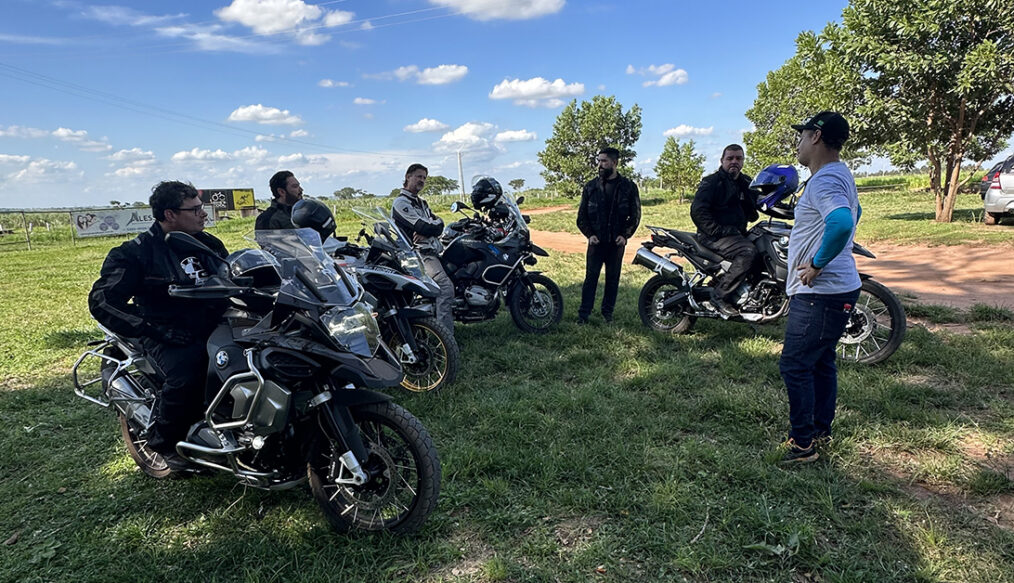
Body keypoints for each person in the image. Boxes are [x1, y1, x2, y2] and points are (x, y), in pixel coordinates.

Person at [88, 181, 228, 471]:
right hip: (166, 332)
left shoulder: (209, 244)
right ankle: (164, 441)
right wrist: (151, 328)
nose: (204, 214)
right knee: (189, 374)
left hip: (215, 323)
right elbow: (102, 301)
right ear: (169, 214)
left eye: (201, 207)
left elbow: (232, 275)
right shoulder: (136, 253)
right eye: (195, 209)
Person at [778, 111, 863, 464]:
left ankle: (802, 445)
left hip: (820, 292)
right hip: (838, 289)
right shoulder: (840, 174)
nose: (798, 143)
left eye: (802, 135)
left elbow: (842, 222)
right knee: (821, 360)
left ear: (816, 136)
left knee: (795, 365)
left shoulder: (824, 180)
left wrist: (816, 263)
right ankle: (819, 430)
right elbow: (856, 213)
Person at [690, 144, 757, 317]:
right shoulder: (712, 182)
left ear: (743, 161)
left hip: (735, 234)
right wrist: (717, 230)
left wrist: (790, 210)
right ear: (722, 160)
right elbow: (698, 210)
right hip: (712, 236)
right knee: (747, 251)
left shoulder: (746, 182)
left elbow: (762, 201)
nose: (734, 161)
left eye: (738, 158)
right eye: (730, 158)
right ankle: (719, 296)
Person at [576, 147, 641, 324]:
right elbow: (581, 216)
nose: (600, 164)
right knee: (591, 279)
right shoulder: (591, 187)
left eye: (604, 161)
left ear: (614, 162)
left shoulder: (628, 187)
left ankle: (607, 314)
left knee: (612, 280)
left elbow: (635, 215)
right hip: (596, 243)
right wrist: (589, 235)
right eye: (599, 161)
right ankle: (583, 315)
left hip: (616, 243)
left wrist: (625, 235)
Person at [391, 163, 455, 334]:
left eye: (424, 178)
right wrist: (429, 228)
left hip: (431, 250)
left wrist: (431, 228)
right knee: (445, 288)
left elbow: (439, 223)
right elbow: (423, 226)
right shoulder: (401, 203)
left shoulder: (422, 203)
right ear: (408, 177)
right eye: (418, 176)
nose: (422, 180)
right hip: (417, 255)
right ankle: (446, 335)